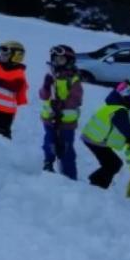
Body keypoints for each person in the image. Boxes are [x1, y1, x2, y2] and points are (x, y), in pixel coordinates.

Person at [80, 80, 130, 189]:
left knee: (112, 164)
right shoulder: (119, 110)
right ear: (127, 94)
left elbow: (118, 130)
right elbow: (127, 130)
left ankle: (96, 183)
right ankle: (97, 186)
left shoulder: (113, 105)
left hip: (93, 138)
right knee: (113, 164)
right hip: (95, 141)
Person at [38, 44, 83, 178]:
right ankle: (48, 164)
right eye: (55, 59)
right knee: (49, 143)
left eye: (61, 60)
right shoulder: (51, 76)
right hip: (49, 120)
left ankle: (69, 176)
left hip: (66, 123)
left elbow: (76, 99)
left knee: (66, 149)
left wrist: (61, 104)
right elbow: (43, 96)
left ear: (69, 62)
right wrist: (46, 86)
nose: (57, 62)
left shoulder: (74, 80)